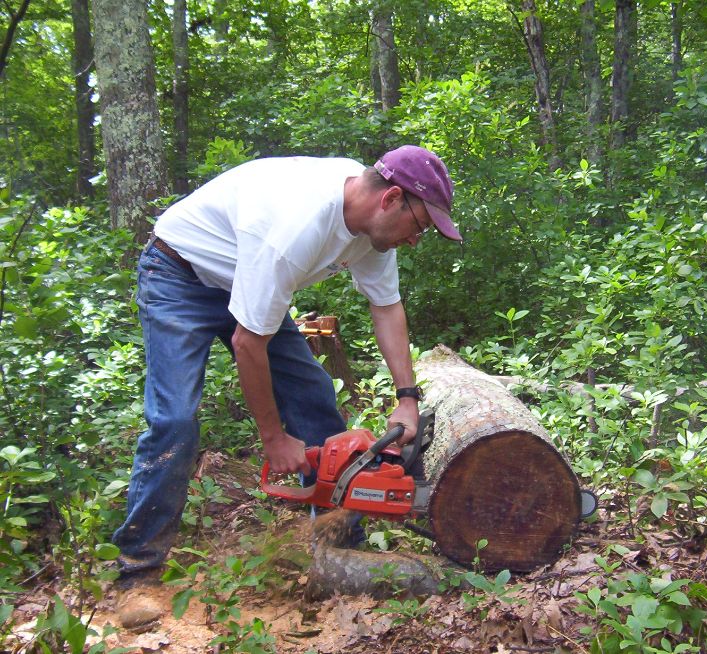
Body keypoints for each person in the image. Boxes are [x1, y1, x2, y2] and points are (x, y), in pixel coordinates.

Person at [112, 145, 460, 627]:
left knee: (315, 399)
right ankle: (138, 572)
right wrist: (273, 438)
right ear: (392, 198)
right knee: (173, 420)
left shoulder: (372, 230)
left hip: (247, 279)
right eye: (418, 225)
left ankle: (337, 546)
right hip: (180, 275)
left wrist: (407, 398)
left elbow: (387, 308)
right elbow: (247, 344)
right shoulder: (299, 223)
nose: (416, 239)